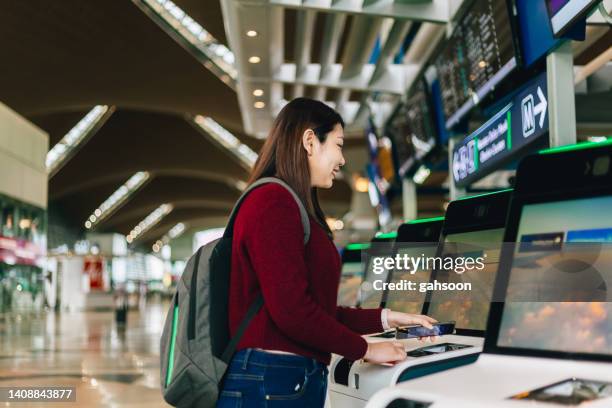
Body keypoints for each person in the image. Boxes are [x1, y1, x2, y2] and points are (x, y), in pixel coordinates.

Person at [217, 98, 437, 408]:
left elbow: (315, 309)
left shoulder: (289, 204)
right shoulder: (273, 202)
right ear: (310, 141)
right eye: (338, 144)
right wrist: (366, 350)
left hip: (279, 380)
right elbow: (293, 313)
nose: (343, 159)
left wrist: (388, 318)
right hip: (271, 381)